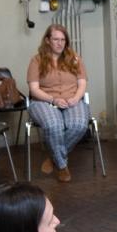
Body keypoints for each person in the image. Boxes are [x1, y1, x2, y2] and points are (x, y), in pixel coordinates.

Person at [26, 24, 89, 183]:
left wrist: (76, 98)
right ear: (47, 40)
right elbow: (34, 89)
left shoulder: (75, 59)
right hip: (44, 101)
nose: (60, 43)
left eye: (63, 40)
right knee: (54, 125)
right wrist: (53, 99)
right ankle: (61, 166)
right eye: (56, 39)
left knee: (79, 125)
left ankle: (53, 157)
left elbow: (82, 83)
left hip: (71, 99)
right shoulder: (37, 60)